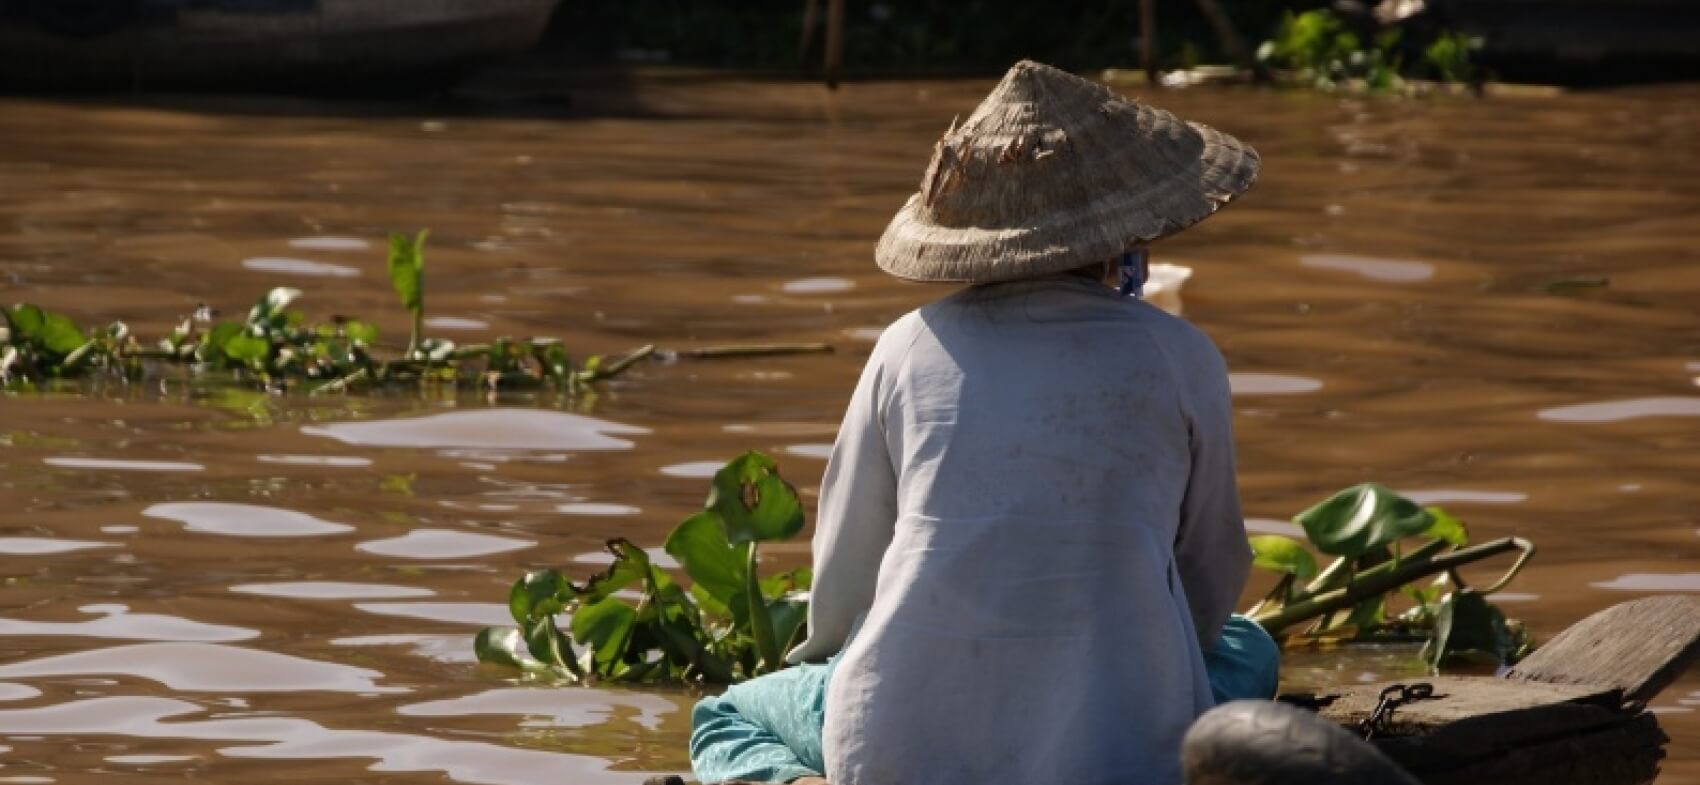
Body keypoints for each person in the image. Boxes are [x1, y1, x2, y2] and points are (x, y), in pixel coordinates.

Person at [692, 59, 1270, 785]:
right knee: (1249, 647)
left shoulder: (906, 345)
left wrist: (836, 667)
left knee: (725, 716)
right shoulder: (1181, 351)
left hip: (895, 751)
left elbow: (847, 573)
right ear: (1125, 236)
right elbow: (1211, 568)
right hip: (1119, 755)